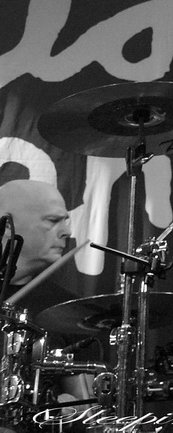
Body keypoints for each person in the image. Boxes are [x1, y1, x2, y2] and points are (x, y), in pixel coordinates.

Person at [1, 179, 96, 428]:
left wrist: (71, 409)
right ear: (7, 225)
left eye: (65, 221)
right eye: (53, 221)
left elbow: (86, 409)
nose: (67, 232)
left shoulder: (70, 310)